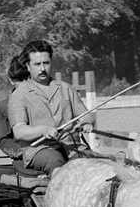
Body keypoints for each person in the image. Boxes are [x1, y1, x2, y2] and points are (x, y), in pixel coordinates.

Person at [7, 40, 93, 173]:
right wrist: (43, 130)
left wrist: (86, 122)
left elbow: (85, 114)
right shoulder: (19, 95)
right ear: (28, 66)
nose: (42, 69)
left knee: (92, 164)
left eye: (45, 63)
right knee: (54, 160)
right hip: (38, 150)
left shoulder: (66, 88)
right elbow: (19, 131)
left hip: (71, 146)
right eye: (37, 64)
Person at [0, 54, 28, 160]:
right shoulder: (2, 107)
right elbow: (4, 141)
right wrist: (22, 152)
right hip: (26, 161)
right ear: (11, 80)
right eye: (20, 82)